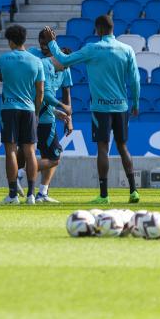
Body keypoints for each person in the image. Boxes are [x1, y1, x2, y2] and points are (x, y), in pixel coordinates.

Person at [43, 15, 141, 204]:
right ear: (112, 29)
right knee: (122, 147)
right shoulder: (127, 49)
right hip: (121, 106)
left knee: (103, 148)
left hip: (100, 108)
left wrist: (53, 43)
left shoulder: (92, 49)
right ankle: (133, 191)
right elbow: (135, 80)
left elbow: (64, 60)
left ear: (99, 29)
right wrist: (135, 103)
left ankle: (104, 195)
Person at [17, 30, 74, 202]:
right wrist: (62, 107)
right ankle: (19, 174)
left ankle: (42, 191)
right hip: (36, 113)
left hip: (45, 113)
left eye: (46, 43)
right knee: (49, 155)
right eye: (41, 42)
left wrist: (65, 115)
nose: (43, 46)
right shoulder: (37, 59)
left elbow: (65, 92)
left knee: (45, 153)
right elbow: (43, 92)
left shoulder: (63, 65)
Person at [0, 25, 44, 205]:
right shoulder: (36, 61)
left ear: (10, 41)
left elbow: (1, 78)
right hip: (29, 109)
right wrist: (37, 111)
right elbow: (40, 91)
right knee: (30, 151)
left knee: (10, 151)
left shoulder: (3, 59)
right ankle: (31, 195)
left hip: (9, 108)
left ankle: (12, 195)